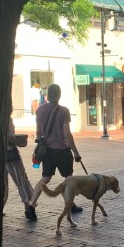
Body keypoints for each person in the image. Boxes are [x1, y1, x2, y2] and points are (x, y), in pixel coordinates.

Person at [28, 83, 83, 214]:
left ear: (47, 95)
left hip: (47, 151)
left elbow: (38, 133)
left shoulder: (40, 110)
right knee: (68, 178)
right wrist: (75, 152)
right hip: (62, 150)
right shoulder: (64, 111)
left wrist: (41, 145)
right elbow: (67, 134)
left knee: (45, 178)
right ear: (59, 95)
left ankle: (31, 204)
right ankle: (71, 205)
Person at [4, 117, 36, 220]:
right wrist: (18, 143)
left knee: (2, 184)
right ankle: (28, 206)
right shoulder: (7, 118)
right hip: (11, 155)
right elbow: (9, 137)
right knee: (21, 180)